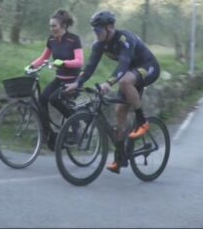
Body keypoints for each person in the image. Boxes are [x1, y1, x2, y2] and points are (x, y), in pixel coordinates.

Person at [65, 10, 160, 174]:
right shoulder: (99, 45)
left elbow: (123, 65)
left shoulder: (125, 39)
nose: (96, 33)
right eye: (94, 30)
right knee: (119, 112)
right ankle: (120, 158)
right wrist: (77, 83)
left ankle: (142, 121)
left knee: (124, 81)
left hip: (148, 67)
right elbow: (89, 68)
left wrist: (109, 83)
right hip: (132, 73)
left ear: (110, 28)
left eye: (99, 30)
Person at [26, 9, 83, 151]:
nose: (52, 29)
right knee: (42, 99)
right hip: (59, 79)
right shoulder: (51, 40)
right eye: (50, 26)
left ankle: (76, 123)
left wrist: (63, 63)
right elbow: (44, 58)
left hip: (73, 81)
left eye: (54, 26)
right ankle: (48, 135)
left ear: (63, 25)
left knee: (54, 99)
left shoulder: (74, 39)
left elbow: (79, 61)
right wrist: (31, 66)